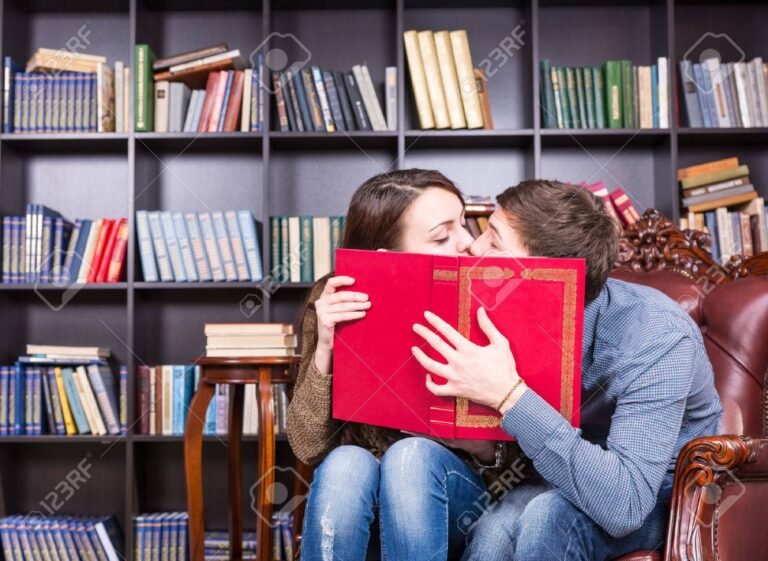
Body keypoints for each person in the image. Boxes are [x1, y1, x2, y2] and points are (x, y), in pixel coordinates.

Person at [410, 179, 724, 561]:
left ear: (547, 277)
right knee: (492, 533)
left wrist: (510, 396)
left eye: (494, 241)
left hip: (662, 492)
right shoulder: (499, 315)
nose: (473, 248)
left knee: (547, 516)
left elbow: (625, 505)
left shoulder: (659, 335)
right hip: (557, 475)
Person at [287, 169, 527, 561]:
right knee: (346, 463)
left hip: (462, 502)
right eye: (441, 235)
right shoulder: (335, 297)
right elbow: (309, 447)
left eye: (463, 222)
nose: (468, 242)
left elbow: (528, 470)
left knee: (410, 457)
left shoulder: (498, 292)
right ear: (387, 260)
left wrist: (482, 447)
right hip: (365, 504)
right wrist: (326, 348)